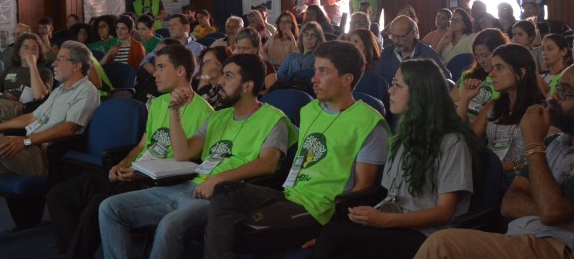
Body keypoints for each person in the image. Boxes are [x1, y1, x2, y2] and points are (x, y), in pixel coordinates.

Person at [98, 54, 297, 259]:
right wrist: (174, 112)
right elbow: (183, 153)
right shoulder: (217, 117)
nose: (220, 81)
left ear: (247, 86)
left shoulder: (274, 119)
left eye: (228, 76)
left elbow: (268, 163)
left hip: (222, 196)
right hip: (188, 186)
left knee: (170, 225)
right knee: (110, 208)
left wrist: (219, 179)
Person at [202, 41, 389, 258]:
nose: (314, 78)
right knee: (224, 190)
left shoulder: (369, 123)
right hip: (289, 194)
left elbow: (362, 191)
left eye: (323, 71)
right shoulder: (309, 110)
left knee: (232, 232)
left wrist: (333, 233)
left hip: (319, 210)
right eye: (316, 70)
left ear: (347, 79)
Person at [46, 44, 213, 259]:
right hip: (134, 171)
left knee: (96, 206)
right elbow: (142, 145)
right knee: (59, 195)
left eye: (161, 67)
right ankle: (72, 250)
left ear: (180, 71)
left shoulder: (205, 114)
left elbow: (186, 162)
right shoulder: (159, 103)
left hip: (157, 181)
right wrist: (123, 164)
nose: (155, 73)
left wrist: (139, 173)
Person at [311, 58, 478, 259]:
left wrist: (384, 220)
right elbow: (392, 196)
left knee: (335, 236)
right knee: (332, 234)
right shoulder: (403, 136)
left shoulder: (451, 142)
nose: (390, 91)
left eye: (397, 86)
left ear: (419, 93)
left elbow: (445, 211)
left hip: (428, 237)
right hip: (395, 223)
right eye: (392, 84)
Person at [414, 64, 574, 259]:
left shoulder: (539, 134)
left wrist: (533, 143)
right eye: (558, 89)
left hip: (556, 245)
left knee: (441, 245)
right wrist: (561, 214)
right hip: (520, 235)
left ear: (520, 72)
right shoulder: (554, 143)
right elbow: (509, 204)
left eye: (565, 92)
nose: (555, 97)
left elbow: (551, 212)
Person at [0, 40, 99, 241]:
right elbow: (33, 117)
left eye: (60, 59)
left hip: (45, 156)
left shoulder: (87, 91)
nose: (54, 64)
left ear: (76, 66)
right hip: (28, 149)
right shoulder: (59, 90)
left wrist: (25, 141)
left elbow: (69, 127)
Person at [458, 43, 545, 182]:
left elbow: (543, 160)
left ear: (521, 73)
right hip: (488, 175)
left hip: (518, 180)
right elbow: (467, 141)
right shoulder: (494, 106)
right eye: (492, 68)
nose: (491, 74)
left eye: (499, 67)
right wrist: (464, 99)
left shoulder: (539, 111)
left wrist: (507, 166)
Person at [0, 32, 53, 135]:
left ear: (39, 52)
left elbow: (39, 96)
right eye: (26, 47)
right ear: (19, 51)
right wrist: (4, 95)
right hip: (7, 105)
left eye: (34, 48)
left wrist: (32, 65)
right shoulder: (12, 69)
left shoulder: (45, 71)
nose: (30, 51)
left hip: (26, 109)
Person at [374, 16, 449, 87]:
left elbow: (446, 80)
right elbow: (377, 80)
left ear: (413, 33)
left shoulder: (428, 55)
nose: (396, 41)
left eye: (401, 37)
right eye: (392, 36)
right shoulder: (387, 52)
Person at [457, 28, 509, 116]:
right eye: (477, 56)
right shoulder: (468, 76)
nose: (481, 61)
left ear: (499, 52)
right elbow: (450, 103)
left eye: (484, 55)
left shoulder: (507, 80)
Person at [277, 21, 326, 90]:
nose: (309, 38)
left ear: (318, 39)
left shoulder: (320, 59)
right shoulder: (293, 55)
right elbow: (279, 73)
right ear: (302, 36)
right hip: (288, 90)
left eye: (313, 35)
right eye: (306, 34)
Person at [235, 27, 277, 92]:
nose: (241, 52)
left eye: (245, 48)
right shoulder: (233, 66)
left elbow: (273, 92)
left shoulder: (267, 68)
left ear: (257, 48)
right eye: (238, 48)